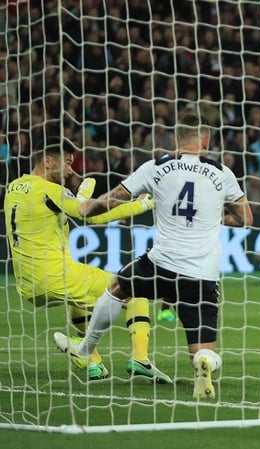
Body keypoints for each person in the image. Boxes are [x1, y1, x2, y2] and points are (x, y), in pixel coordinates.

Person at [54, 114, 253, 398]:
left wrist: (87, 208)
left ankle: (85, 349)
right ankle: (205, 362)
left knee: (116, 289)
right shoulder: (223, 173)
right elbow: (246, 219)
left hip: (161, 263)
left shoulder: (156, 167)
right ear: (206, 141)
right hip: (202, 275)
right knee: (203, 350)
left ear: (177, 140)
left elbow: (117, 197)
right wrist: (214, 218)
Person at [4, 140, 170, 383]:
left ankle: (93, 363)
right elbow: (91, 215)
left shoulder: (14, 186)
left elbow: (63, 209)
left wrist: (78, 194)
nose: (71, 171)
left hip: (27, 285)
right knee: (134, 290)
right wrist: (144, 204)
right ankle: (140, 358)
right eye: (67, 163)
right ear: (48, 161)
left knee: (77, 301)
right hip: (55, 274)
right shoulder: (50, 191)